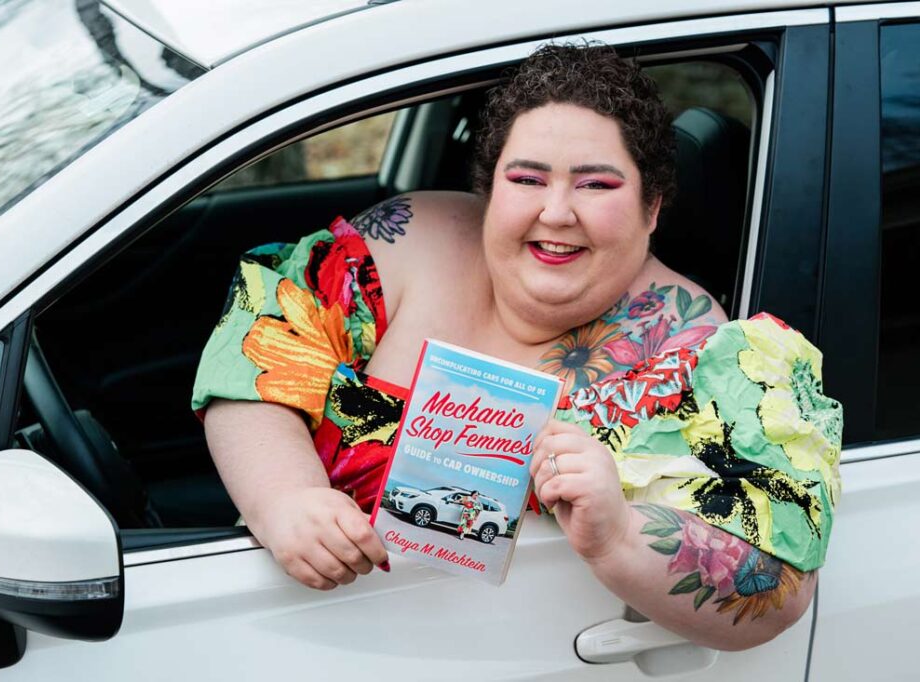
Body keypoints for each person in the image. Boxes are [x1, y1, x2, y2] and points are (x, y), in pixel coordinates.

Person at [192, 43, 841, 650]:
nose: (556, 212)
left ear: (652, 207)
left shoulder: (698, 352)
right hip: (294, 638)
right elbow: (255, 350)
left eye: (596, 184)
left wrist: (616, 536)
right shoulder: (401, 241)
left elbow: (777, 589)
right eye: (527, 179)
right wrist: (284, 500)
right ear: (490, 186)